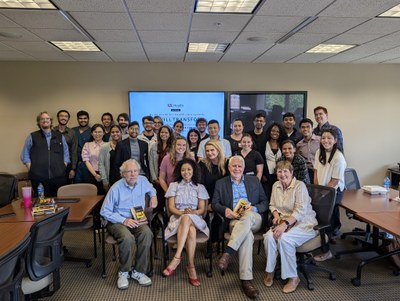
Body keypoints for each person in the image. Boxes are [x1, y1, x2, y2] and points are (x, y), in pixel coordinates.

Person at [212, 156, 268, 299]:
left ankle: (228, 252)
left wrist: (254, 208)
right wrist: (225, 210)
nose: (236, 169)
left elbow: (265, 202)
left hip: (254, 219)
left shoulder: (254, 180)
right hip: (234, 221)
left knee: (248, 217)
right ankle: (246, 281)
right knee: (247, 236)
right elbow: (215, 203)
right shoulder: (220, 183)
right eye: (234, 166)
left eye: (239, 166)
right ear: (229, 168)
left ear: (243, 168)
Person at [100, 159, 157, 289]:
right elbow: (104, 211)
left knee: (147, 233)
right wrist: (124, 220)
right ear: (123, 174)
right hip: (118, 220)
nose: (133, 174)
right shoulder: (116, 188)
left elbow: (151, 189)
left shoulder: (143, 181)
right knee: (127, 238)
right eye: (129, 172)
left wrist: (153, 196)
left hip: (137, 219)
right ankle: (124, 272)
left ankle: (138, 271)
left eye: (135, 171)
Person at [263, 160, 317, 294]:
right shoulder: (276, 185)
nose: (282, 174)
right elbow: (272, 205)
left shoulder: (300, 186)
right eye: (279, 171)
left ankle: (293, 277)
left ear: (292, 172)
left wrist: (284, 225)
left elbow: (300, 211)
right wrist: (275, 215)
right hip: (284, 221)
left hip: (304, 223)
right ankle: (270, 270)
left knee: (284, 239)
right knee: (269, 237)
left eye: (285, 171)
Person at [162, 159, 209, 287]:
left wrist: (193, 212)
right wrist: (182, 213)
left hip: (196, 218)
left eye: (189, 169)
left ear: (194, 171)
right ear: (179, 171)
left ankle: (177, 258)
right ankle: (191, 266)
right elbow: (171, 208)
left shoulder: (200, 187)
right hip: (177, 218)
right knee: (190, 229)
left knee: (188, 219)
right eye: (183, 170)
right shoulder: (173, 186)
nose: (186, 172)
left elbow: (202, 209)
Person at [313, 128, 346, 261]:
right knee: (316, 216)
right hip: (321, 190)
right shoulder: (318, 152)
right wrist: (315, 190)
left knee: (323, 219)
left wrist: (321, 195)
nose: (325, 140)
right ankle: (322, 241)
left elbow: (334, 181)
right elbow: (315, 172)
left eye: (329, 138)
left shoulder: (338, 157)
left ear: (335, 140)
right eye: (324, 137)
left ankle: (327, 252)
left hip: (333, 192)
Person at [20, 111, 69, 197]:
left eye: (47, 118)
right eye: (42, 119)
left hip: (58, 177)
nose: (45, 120)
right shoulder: (32, 136)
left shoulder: (59, 136)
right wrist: (30, 167)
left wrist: (64, 165)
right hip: (38, 177)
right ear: (39, 122)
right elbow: (25, 154)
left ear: (50, 121)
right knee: (41, 203)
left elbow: (66, 153)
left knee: (59, 202)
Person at [199, 141, 227, 243]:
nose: (209, 153)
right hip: (208, 197)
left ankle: (220, 241)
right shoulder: (202, 164)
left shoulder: (227, 163)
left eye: (212, 150)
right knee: (210, 217)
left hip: (223, 198)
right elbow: (201, 184)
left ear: (218, 150)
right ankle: (211, 242)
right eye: (207, 151)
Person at [112, 121, 150, 185]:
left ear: (139, 130)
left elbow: (146, 161)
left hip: (141, 174)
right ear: (128, 130)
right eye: (132, 128)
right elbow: (116, 162)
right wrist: (121, 175)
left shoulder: (144, 144)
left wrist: (147, 174)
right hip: (127, 176)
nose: (134, 131)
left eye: (136, 129)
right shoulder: (121, 144)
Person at [149, 125, 174, 213]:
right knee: (158, 203)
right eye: (162, 132)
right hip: (157, 180)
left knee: (170, 203)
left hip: (170, 180)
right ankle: (158, 223)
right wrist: (155, 178)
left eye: (166, 132)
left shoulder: (173, 147)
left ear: (170, 134)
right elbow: (151, 163)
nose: (164, 134)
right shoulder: (154, 146)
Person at [53, 109, 77, 182]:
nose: (63, 118)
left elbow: (74, 151)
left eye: (66, 116)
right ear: (58, 118)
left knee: (66, 187)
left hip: (67, 165)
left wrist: (73, 169)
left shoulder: (72, 132)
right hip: (53, 164)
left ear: (68, 119)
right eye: (61, 116)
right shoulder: (51, 131)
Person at [82, 124, 106, 195]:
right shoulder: (87, 145)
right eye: (95, 132)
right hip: (91, 174)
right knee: (91, 196)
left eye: (100, 132)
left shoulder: (108, 145)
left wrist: (103, 175)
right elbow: (86, 161)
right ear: (92, 133)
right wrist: (95, 175)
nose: (97, 134)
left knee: (104, 195)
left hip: (105, 175)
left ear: (103, 133)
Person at [264, 123, 287, 196]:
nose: (275, 133)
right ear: (269, 132)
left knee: (279, 195)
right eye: (273, 131)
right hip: (267, 176)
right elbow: (261, 160)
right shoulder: (264, 143)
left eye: (278, 132)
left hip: (280, 175)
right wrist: (263, 175)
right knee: (268, 195)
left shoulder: (282, 144)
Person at [296, 118, 321, 182]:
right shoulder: (299, 144)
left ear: (312, 129)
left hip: (320, 171)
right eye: (303, 127)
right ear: (300, 130)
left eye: (308, 127)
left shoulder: (320, 140)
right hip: (307, 174)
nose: (305, 129)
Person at [99, 125, 122, 192]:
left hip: (123, 178)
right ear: (110, 133)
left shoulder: (125, 145)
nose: (115, 134)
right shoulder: (105, 147)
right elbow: (101, 164)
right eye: (113, 132)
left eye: (117, 132)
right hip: (110, 178)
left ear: (121, 133)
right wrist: (104, 180)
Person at [73, 110, 92, 183]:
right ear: (77, 119)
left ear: (88, 119)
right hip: (74, 163)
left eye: (85, 118)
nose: (83, 120)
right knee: (76, 185)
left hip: (88, 163)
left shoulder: (92, 131)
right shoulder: (73, 131)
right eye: (80, 118)